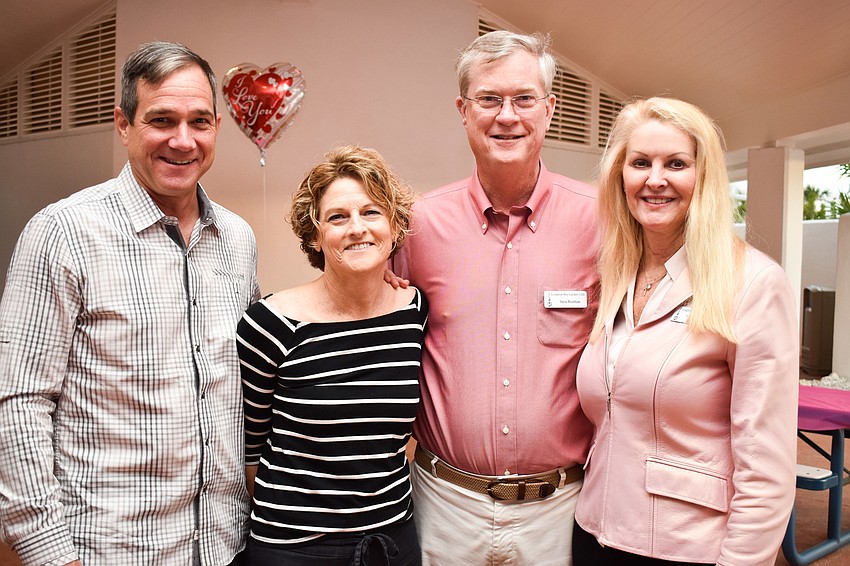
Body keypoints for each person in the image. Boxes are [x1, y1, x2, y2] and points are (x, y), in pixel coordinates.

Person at [0, 42, 258, 566]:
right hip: (109, 551)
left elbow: (242, 390)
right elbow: (18, 403)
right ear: (123, 124)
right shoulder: (63, 233)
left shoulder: (237, 239)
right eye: (162, 119)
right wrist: (48, 554)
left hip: (223, 546)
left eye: (200, 122)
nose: (183, 141)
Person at [391, 31, 599, 564]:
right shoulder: (415, 225)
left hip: (560, 509)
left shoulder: (602, 221)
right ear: (463, 111)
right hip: (444, 505)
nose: (508, 115)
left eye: (524, 98)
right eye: (489, 99)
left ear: (549, 110)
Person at [572, 97, 798, 565]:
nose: (656, 179)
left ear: (704, 177)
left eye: (676, 163)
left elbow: (766, 464)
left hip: (688, 548)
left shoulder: (752, 282)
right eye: (640, 163)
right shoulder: (615, 275)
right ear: (621, 177)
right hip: (595, 532)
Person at [237, 145, 428, 566]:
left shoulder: (413, 311)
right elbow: (250, 452)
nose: (357, 228)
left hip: (392, 539)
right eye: (338, 217)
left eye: (372, 212)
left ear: (395, 227)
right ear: (315, 234)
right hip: (293, 547)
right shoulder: (269, 324)